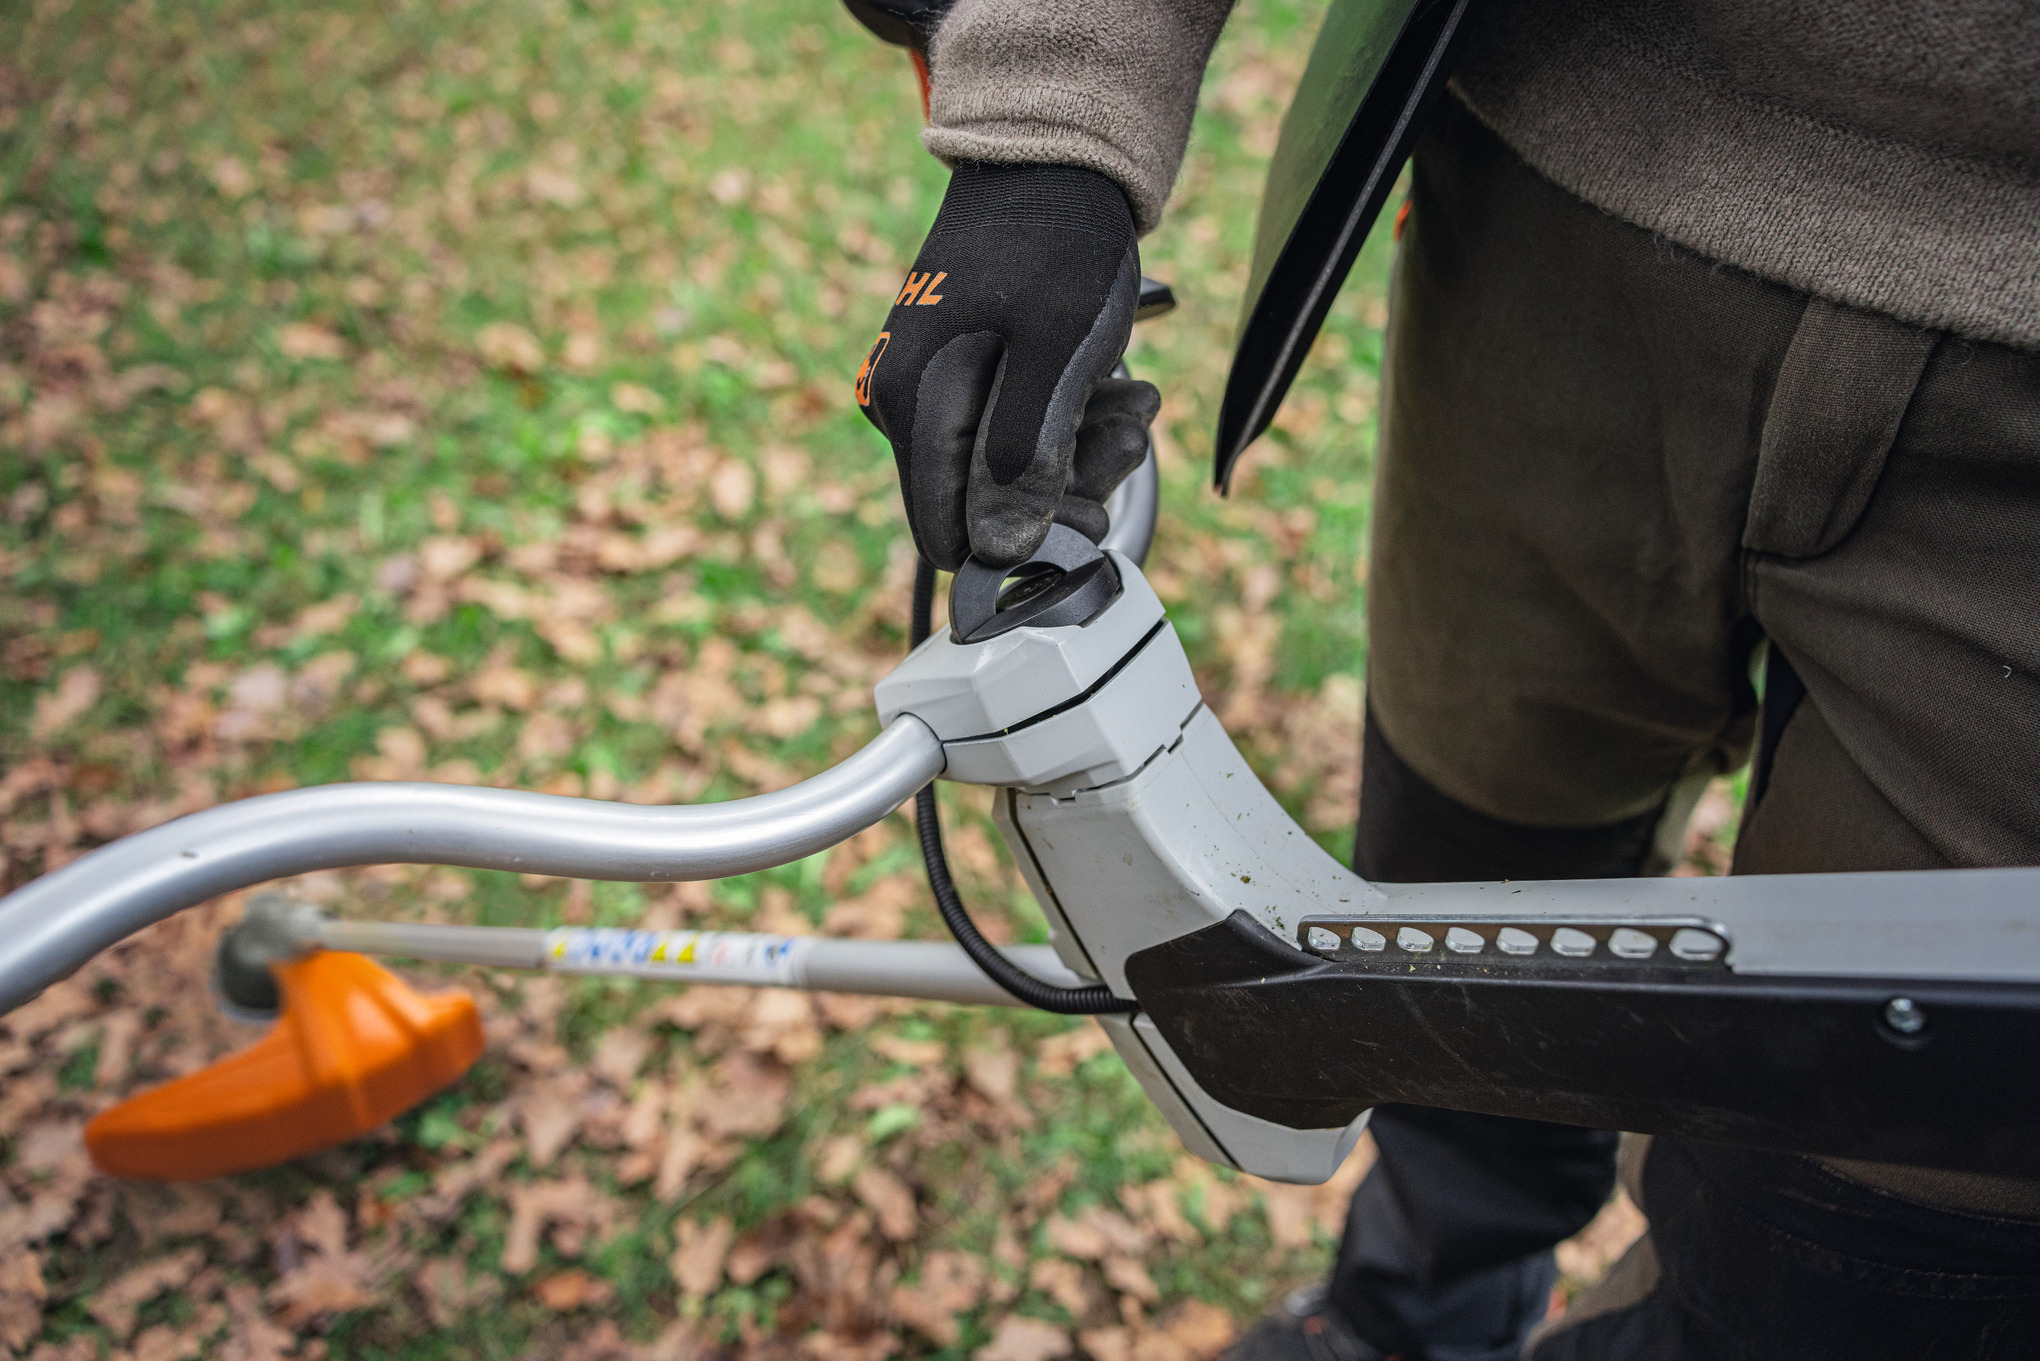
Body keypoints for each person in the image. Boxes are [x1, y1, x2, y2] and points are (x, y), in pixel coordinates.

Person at [853, 1, 2040, 1356]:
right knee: (1434, 933)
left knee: (1862, 1252)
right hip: (1555, 212)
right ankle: (1411, 1314)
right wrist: (1048, 127)